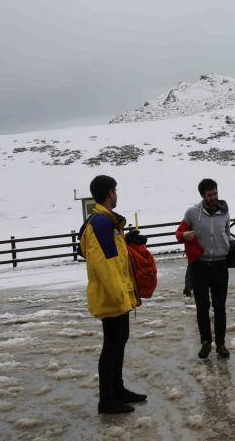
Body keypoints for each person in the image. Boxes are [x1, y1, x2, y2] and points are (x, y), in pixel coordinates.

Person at [78, 175, 144, 415]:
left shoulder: (108, 223)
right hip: (112, 296)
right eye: (115, 190)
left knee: (119, 341)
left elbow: (112, 255)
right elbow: (105, 265)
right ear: (109, 193)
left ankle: (118, 389)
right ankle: (107, 399)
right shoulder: (101, 225)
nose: (117, 194)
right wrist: (120, 296)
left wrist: (126, 240)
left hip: (117, 294)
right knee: (112, 346)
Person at [176, 178, 231, 359]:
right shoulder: (192, 213)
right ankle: (206, 342)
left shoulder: (224, 211)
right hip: (199, 266)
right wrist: (185, 234)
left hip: (220, 264)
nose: (213, 197)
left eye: (215, 193)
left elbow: (226, 232)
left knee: (220, 307)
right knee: (202, 307)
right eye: (209, 195)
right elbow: (178, 233)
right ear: (202, 195)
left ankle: (221, 344)